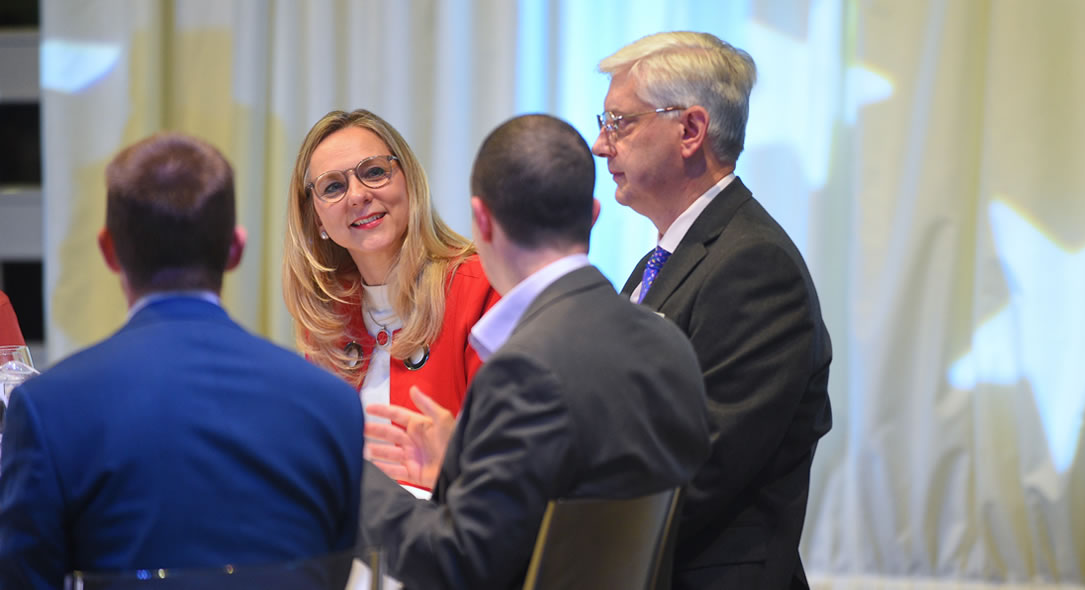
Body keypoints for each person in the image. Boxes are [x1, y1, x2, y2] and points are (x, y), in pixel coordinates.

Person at [358, 114, 711, 590]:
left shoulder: (525, 369)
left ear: (481, 218)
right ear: (592, 214)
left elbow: (458, 563)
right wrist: (457, 471)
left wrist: (352, 478)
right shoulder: (669, 342)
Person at [0, 133, 364, 590]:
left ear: (109, 251)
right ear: (236, 248)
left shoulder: (46, 408)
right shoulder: (332, 402)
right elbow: (333, 573)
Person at [591, 32, 834, 589]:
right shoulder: (672, 254)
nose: (602, 146)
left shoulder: (753, 265)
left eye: (619, 123)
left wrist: (542, 509)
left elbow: (700, 465)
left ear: (690, 130)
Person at [282, 109, 499, 488]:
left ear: (409, 182)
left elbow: (507, 459)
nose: (358, 195)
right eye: (333, 187)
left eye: (374, 172)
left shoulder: (480, 287)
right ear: (317, 220)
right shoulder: (327, 321)